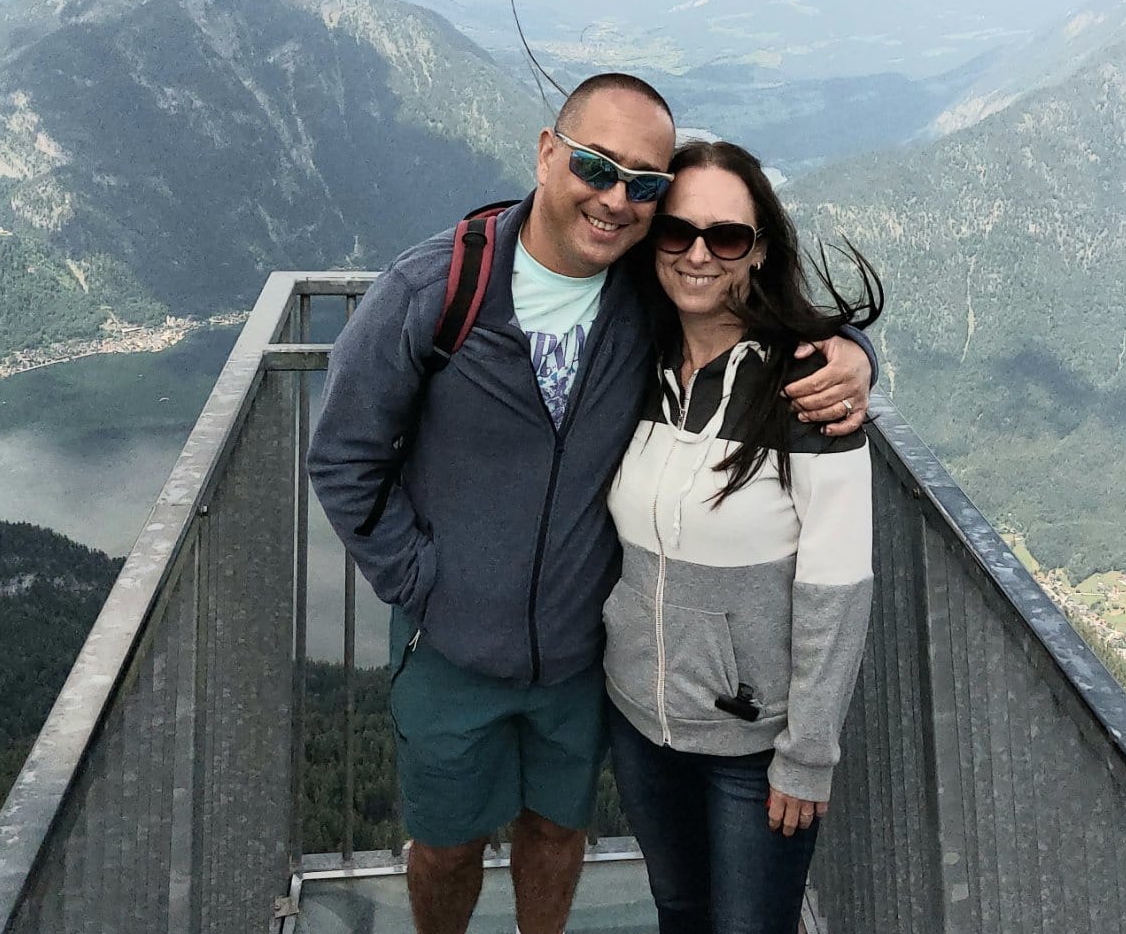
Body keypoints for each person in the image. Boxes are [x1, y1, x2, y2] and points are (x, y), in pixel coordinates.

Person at [305, 74, 875, 934]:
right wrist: (423, 579)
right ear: (547, 153)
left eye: (644, 185)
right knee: (446, 847)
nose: (616, 200)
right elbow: (341, 455)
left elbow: (743, 303)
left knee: (557, 834)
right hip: (450, 647)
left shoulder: (641, 293)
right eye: (596, 167)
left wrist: (852, 351)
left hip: (580, 657)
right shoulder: (437, 290)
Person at [602, 140, 880, 934]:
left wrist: (808, 753)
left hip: (755, 748)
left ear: (759, 250)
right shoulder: (630, 364)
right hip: (639, 722)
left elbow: (836, 587)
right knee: (679, 910)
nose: (698, 254)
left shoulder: (807, 391)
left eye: (725, 237)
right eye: (677, 230)